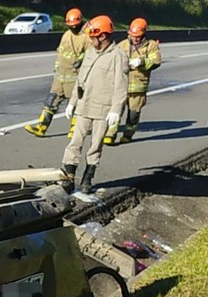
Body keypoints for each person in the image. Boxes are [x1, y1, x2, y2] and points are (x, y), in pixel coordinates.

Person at [60, 15, 128, 196]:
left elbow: (121, 87)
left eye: (93, 37)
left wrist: (115, 110)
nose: (90, 40)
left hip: (103, 109)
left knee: (95, 145)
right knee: (74, 142)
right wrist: (73, 102)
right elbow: (80, 80)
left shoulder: (118, 56)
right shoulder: (90, 52)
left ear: (103, 36)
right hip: (84, 105)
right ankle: (68, 177)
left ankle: (87, 179)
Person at [24, 8, 89, 138]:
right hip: (60, 77)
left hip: (75, 77)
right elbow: (60, 52)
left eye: (75, 26)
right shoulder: (66, 35)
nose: (73, 28)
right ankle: (41, 127)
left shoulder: (86, 38)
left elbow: (90, 54)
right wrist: (57, 66)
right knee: (51, 101)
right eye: (70, 26)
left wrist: (81, 61)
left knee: (76, 104)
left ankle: (75, 129)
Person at [104, 18, 161, 144]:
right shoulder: (122, 45)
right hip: (121, 86)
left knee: (133, 114)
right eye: (133, 36)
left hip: (138, 88)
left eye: (138, 36)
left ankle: (128, 135)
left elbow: (156, 61)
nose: (135, 39)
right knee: (116, 110)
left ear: (143, 34)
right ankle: (110, 134)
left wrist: (141, 61)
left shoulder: (151, 46)